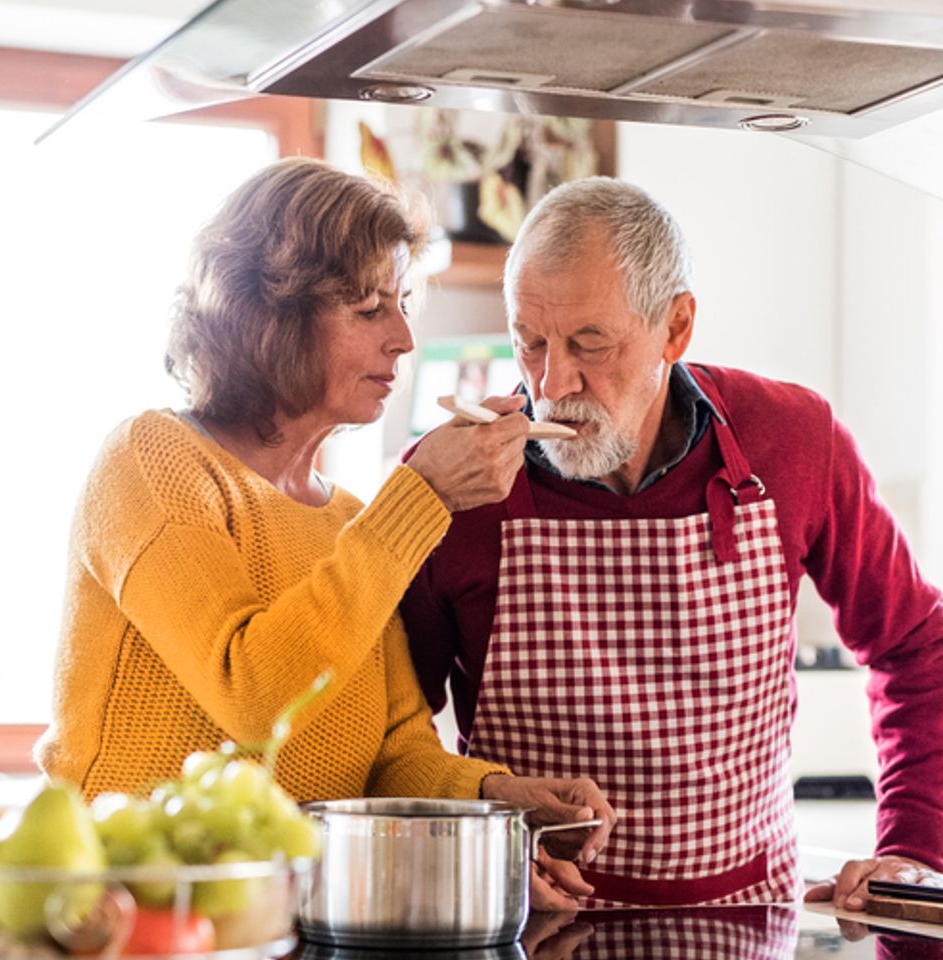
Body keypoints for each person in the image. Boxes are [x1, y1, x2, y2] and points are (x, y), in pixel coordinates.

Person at [34, 158, 615, 880]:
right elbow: (256, 695)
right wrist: (421, 498)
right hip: (130, 917)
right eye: (369, 309)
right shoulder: (152, 462)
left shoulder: (349, 519)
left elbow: (397, 755)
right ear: (265, 317)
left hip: (295, 922)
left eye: (401, 302)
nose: (403, 337)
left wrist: (499, 801)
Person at [401, 177, 943, 911]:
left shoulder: (793, 439)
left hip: (749, 921)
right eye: (529, 341)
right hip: (527, 926)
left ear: (676, 328)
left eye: (589, 343)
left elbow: (916, 645)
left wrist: (913, 847)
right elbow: (394, 732)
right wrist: (476, 843)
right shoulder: (452, 485)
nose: (550, 382)